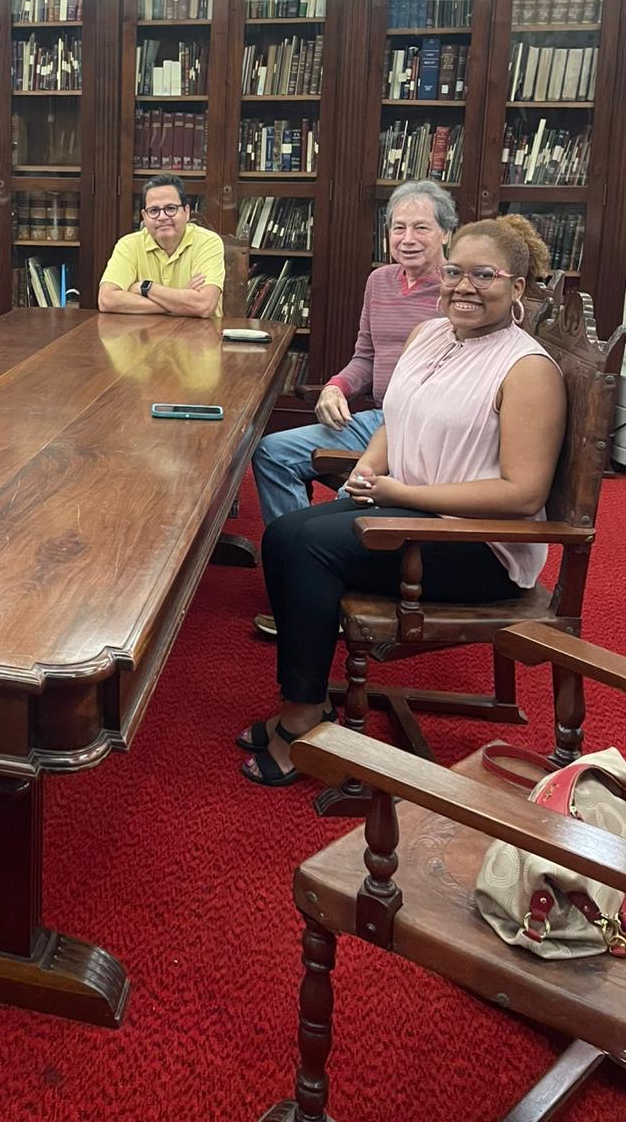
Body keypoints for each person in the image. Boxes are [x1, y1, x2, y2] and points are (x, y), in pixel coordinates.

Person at [238, 214, 565, 788]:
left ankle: (302, 715)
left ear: (516, 287)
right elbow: (398, 416)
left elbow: (524, 494)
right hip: (411, 514)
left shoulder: (528, 369)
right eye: (454, 272)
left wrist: (399, 492)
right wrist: (369, 468)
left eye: (484, 275)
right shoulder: (429, 334)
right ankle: (308, 699)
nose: (464, 287)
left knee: (311, 549)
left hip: (477, 545)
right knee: (285, 536)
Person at [248, 179, 456, 637]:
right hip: (375, 418)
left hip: (421, 427)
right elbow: (365, 356)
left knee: (350, 501)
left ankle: (326, 592)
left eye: (421, 227)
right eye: (398, 227)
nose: (407, 238)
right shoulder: (379, 282)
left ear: (446, 232)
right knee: (271, 453)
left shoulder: (456, 291)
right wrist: (336, 388)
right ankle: (299, 581)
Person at [98, 174, 225, 318]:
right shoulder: (128, 245)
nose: (162, 217)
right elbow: (106, 300)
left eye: (170, 208)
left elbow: (203, 305)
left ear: (187, 212)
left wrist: (145, 287)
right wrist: (181, 303)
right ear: (144, 217)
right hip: (143, 331)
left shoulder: (208, 242)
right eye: (153, 211)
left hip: (200, 331)